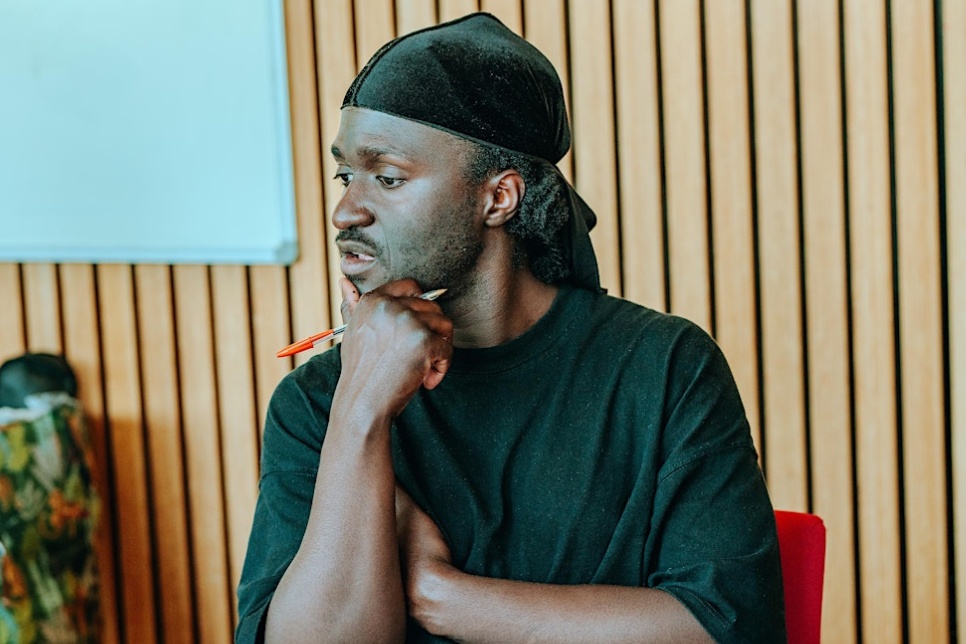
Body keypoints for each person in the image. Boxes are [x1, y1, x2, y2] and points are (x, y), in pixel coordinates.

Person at [237, 12, 785, 643]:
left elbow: (730, 629)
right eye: (345, 176)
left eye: (386, 178)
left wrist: (439, 595)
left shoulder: (664, 368)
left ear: (499, 198)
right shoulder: (316, 405)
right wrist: (361, 416)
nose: (344, 210)